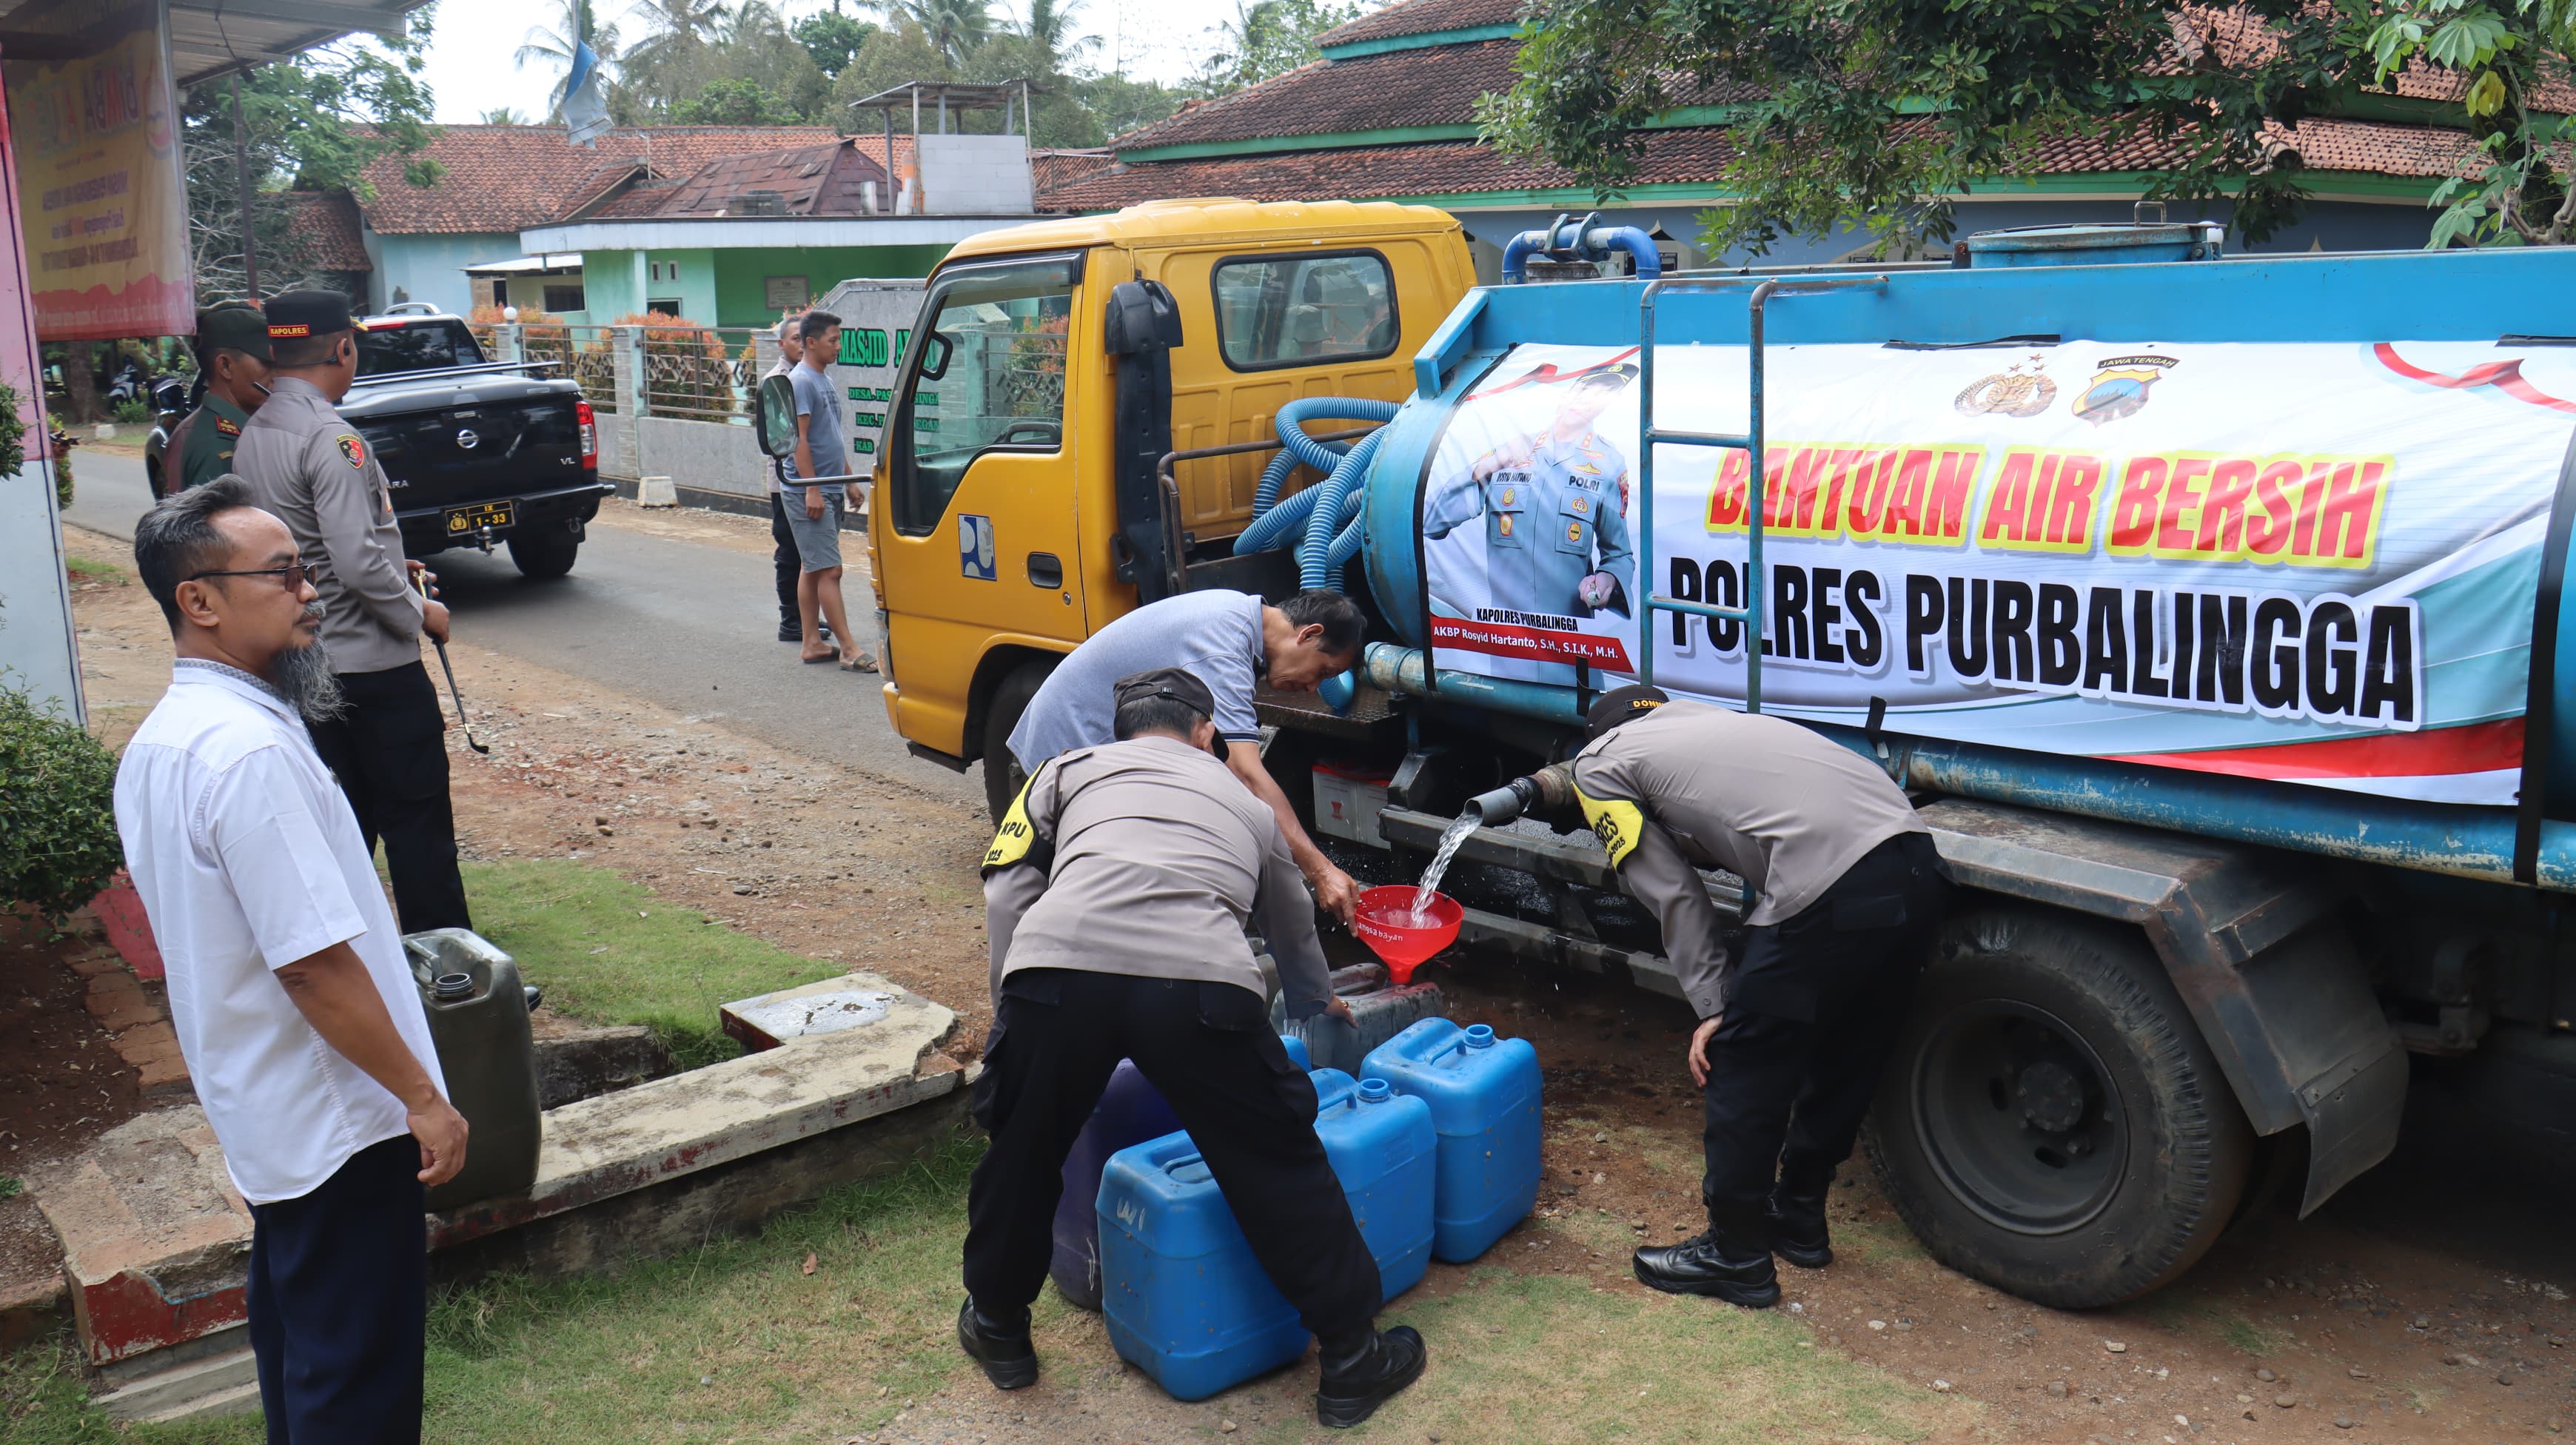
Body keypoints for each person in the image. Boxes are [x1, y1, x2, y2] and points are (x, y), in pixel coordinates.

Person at [961, 668, 1424, 1428]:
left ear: (1121, 727)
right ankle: (1350, 1359)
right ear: (1206, 732)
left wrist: (1015, 1004)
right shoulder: (1248, 804)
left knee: (1022, 1146)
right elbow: (1290, 924)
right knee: (1276, 1158)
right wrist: (1315, 1002)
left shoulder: (1060, 771)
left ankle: (1001, 1328)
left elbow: (1008, 889)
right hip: (1200, 984)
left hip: (1057, 973)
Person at [114, 477, 470, 1443]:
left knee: (308, 1351)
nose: (310, 590)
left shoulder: (166, 742)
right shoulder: (242, 754)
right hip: (341, 1117)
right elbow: (310, 964)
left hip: (273, 1109)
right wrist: (421, 1096)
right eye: (282, 574)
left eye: (306, 569)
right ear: (200, 601)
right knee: (355, 1384)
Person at [1567, 685, 1950, 1307]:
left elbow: (1674, 894)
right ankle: (1798, 1216)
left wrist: (1717, 1007)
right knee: (1850, 1046)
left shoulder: (1597, 763)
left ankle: (1735, 1252)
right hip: (1916, 861)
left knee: (1743, 1056)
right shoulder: (1713, 720)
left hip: (1828, 877)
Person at [234, 289, 472, 935]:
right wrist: (421, 611)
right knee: (418, 827)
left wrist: (399, 567)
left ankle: (358, 964)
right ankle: (452, 978)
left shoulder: (258, 430)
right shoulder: (333, 437)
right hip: (374, 669)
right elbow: (360, 561)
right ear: (344, 347)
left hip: (307, 661)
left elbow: (316, 545)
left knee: (344, 828)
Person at [1005, 588, 1367, 922]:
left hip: (1088, 755)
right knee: (1089, 916)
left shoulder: (1235, 618)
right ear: (1307, 634)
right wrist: (1320, 870)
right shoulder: (1224, 646)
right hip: (1063, 762)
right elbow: (1245, 773)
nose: (1312, 688)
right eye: (1322, 672)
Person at [1423, 363, 1638, 620]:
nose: (1586, 401)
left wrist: (1607, 579)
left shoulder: (1608, 464)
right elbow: (1428, 521)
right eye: (1583, 389)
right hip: (1508, 642)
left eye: (1600, 395)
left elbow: (1619, 555)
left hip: (1570, 641)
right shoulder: (1511, 450)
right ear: (1565, 394)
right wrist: (1482, 469)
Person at [785, 308, 875, 672]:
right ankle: (849, 649)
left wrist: (849, 480)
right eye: (832, 340)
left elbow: (831, 438)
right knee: (831, 570)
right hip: (811, 489)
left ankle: (811, 643)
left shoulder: (823, 378)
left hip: (830, 485)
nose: (838, 346)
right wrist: (812, 490)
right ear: (811, 343)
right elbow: (799, 440)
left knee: (813, 566)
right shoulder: (801, 381)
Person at [159, 299, 274, 498]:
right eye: (267, 363)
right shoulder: (217, 443)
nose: (276, 373)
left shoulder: (217, 428)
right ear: (225, 367)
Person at [763, 313, 828, 647]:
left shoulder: (811, 376)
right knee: (790, 551)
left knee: (811, 555)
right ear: (782, 344)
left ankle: (807, 621)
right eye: (793, 339)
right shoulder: (778, 381)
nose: (800, 345)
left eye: (802, 339)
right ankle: (790, 619)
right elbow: (788, 441)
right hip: (789, 483)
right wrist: (809, 487)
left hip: (810, 479)